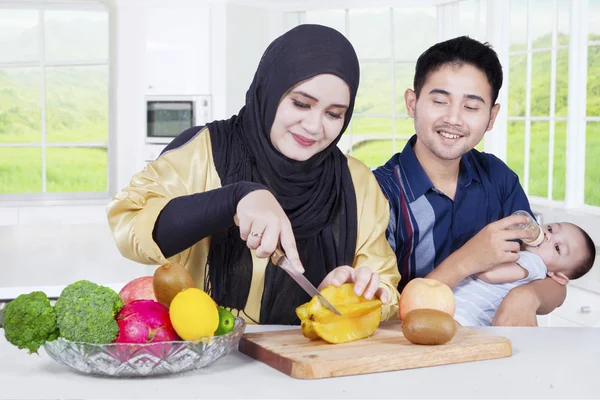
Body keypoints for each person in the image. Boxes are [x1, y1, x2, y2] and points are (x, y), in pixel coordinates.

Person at [106, 24, 400, 325]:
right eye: (300, 103)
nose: (314, 126)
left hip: (306, 356)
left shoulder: (356, 181)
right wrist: (234, 198)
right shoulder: (204, 151)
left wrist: (352, 295)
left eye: (334, 114)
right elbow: (129, 222)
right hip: (205, 354)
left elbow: (385, 285)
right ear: (269, 90)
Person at [373, 35, 566, 326]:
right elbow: (378, 315)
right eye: (439, 101)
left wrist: (524, 298)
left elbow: (554, 280)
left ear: (491, 117)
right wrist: (468, 260)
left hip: (491, 354)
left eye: (472, 107)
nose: (453, 119)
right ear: (412, 103)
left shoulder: (498, 178)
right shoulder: (377, 194)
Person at [453, 221, 596, 326]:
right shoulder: (522, 255)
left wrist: (473, 252)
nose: (548, 236)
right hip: (462, 314)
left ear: (557, 276)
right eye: (551, 229)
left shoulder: (534, 263)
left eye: (557, 248)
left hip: (465, 318)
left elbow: (490, 273)